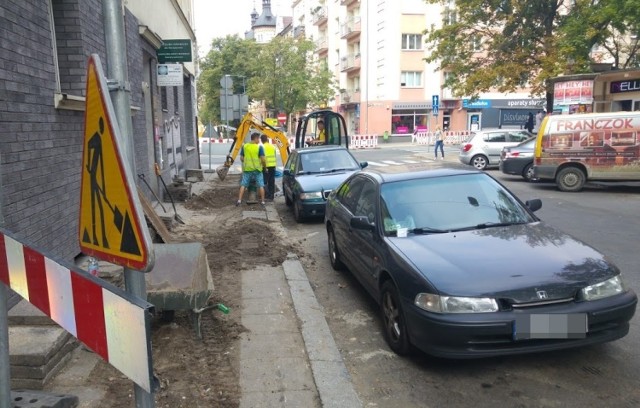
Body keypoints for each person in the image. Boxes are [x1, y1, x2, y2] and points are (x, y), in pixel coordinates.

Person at [236, 132, 266, 206]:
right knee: (261, 185)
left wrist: (246, 162)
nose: (259, 140)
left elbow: (241, 158)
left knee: (243, 184)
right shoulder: (259, 147)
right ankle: (262, 202)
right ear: (255, 138)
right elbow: (263, 159)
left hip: (247, 169)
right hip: (257, 170)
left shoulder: (245, 146)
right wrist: (264, 166)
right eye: (258, 138)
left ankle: (239, 201)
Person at [260, 134, 277, 200]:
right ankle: (271, 196)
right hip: (272, 166)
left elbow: (262, 158)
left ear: (261, 140)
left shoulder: (262, 147)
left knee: (265, 181)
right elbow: (274, 156)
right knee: (271, 181)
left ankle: (267, 194)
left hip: (265, 167)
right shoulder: (272, 147)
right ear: (267, 139)